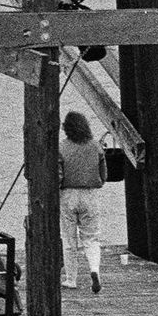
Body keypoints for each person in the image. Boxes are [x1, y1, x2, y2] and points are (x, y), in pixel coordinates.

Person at [60, 110, 107, 293]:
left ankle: (71, 279)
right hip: (90, 195)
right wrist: (98, 182)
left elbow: (58, 176)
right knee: (91, 237)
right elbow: (103, 174)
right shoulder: (96, 146)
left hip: (68, 195)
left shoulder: (61, 147)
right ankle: (94, 270)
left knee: (69, 240)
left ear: (66, 128)